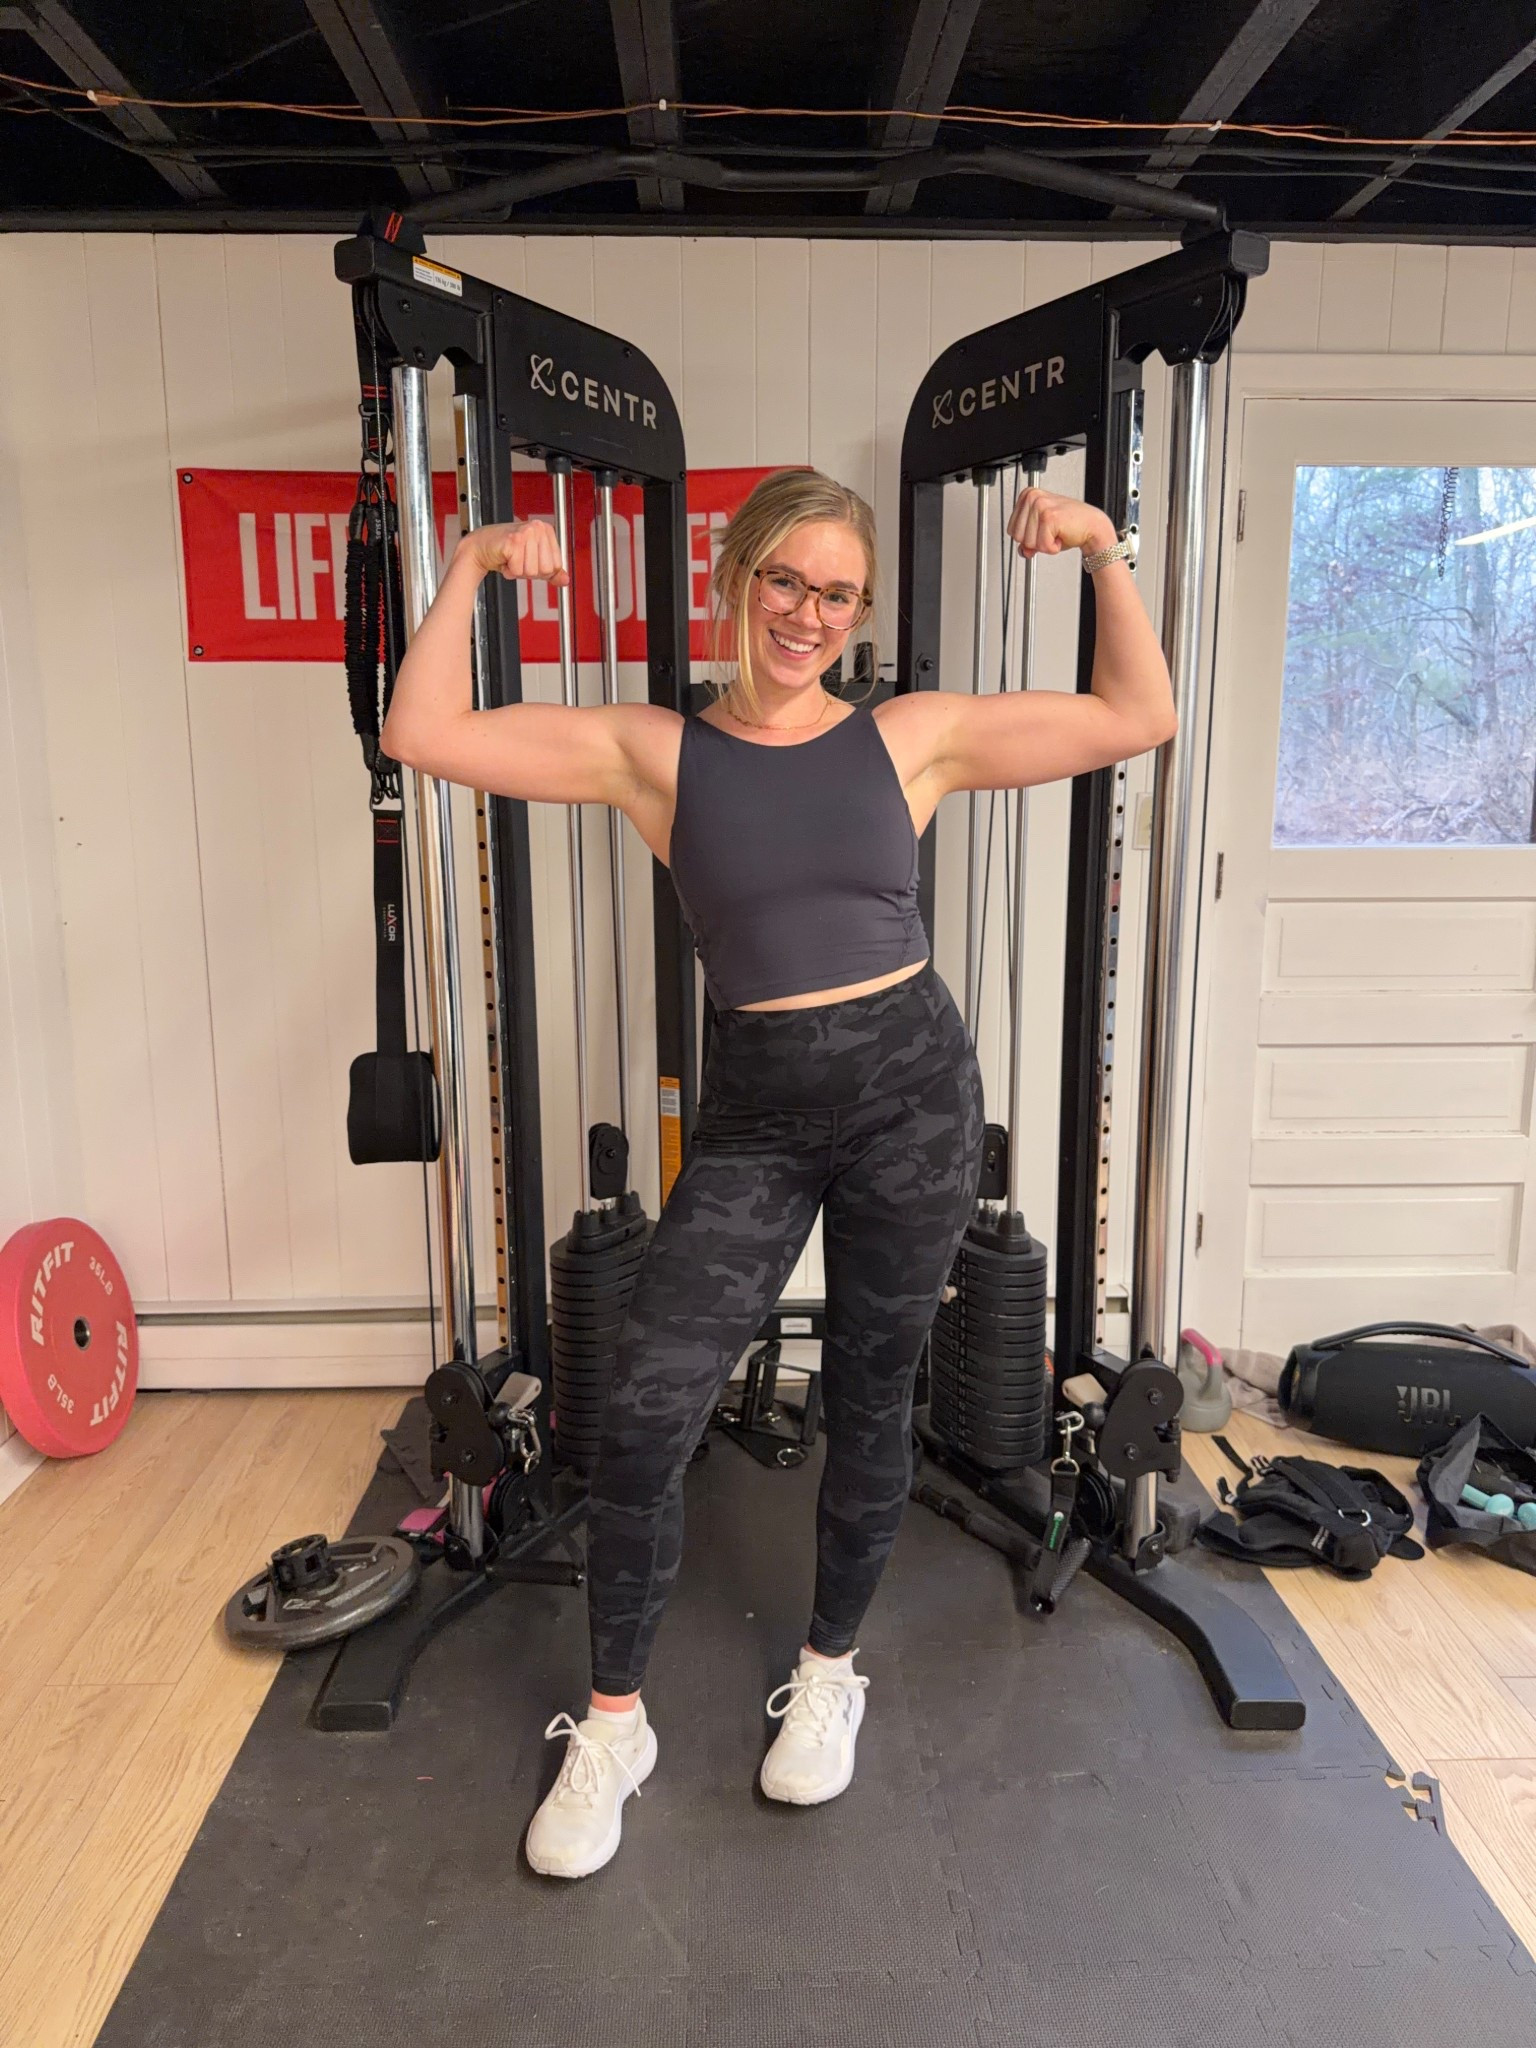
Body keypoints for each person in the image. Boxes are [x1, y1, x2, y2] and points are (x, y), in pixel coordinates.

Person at [380, 467, 1175, 1880]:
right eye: (785, 581)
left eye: (838, 592)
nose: (809, 613)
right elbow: (420, 727)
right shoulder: (657, 753)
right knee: (640, 1407)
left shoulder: (907, 739)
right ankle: (615, 1723)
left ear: (859, 612)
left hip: (913, 1101)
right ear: (735, 579)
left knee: (875, 1390)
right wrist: (472, 567)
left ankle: (829, 1670)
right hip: (755, 1116)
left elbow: (1139, 714)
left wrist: (1108, 548)